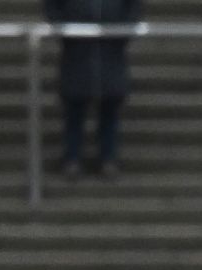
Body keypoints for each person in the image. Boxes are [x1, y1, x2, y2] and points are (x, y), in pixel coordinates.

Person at [44, 0, 142, 180]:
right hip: (77, 50)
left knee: (109, 111)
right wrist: (62, 28)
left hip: (111, 51)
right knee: (74, 111)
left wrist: (124, 29)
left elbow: (134, 7)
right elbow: (52, 7)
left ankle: (108, 158)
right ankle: (72, 157)